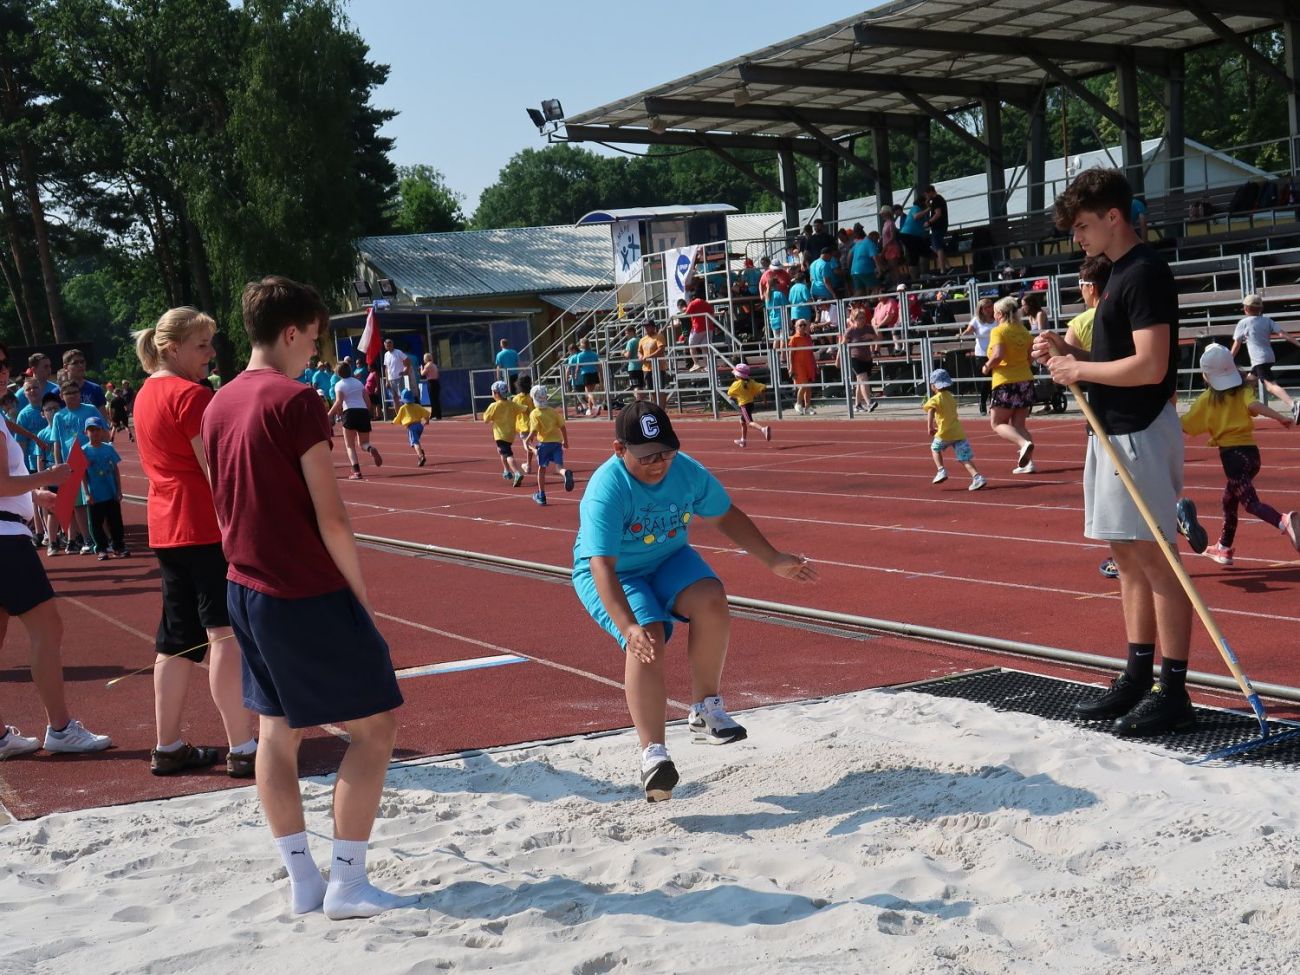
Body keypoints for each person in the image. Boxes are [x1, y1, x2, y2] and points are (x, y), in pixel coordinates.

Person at [202, 275, 411, 920]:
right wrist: (360, 596)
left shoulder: (217, 403)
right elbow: (332, 516)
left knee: (276, 729)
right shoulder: (296, 401)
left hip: (245, 585)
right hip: (302, 588)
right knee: (375, 728)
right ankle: (347, 882)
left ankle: (303, 879)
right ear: (290, 331)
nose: (316, 352)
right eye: (314, 339)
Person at [571, 401, 818, 801]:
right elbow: (601, 566)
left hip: (668, 558)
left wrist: (772, 559)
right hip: (616, 572)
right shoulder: (606, 489)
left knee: (711, 597)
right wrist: (627, 626)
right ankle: (653, 754)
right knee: (647, 636)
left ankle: (706, 711)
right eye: (646, 456)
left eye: (665, 452)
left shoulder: (686, 471)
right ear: (619, 450)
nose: (658, 464)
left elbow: (724, 515)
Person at [1036, 167, 1193, 738]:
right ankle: (1137, 675)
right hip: (1113, 429)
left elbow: (1151, 365)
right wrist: (1070, 351)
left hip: (1140, 430)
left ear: (1112, 216)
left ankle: (1173, 691)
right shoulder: (1120, 272)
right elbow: (1117, 356)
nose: (1077, 237)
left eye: (1082, 226)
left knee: (1156, 560)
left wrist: (1078, 369)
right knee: (1126, 557)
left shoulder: (1144, 272)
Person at [132, 307, 257, 777]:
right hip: (203, 525)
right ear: (173, 348)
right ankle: (242, 746)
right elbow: (216, 471)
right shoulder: (192, 395)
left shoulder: (145, 393)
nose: (210, 353)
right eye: (201, 345)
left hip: (166, 526)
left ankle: (167, 745)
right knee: (223, 632)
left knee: (176, 638)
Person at [0, 350, 114, 759]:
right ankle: (61, 728)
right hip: (5, 540)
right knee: (47, 628)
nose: (3, 372)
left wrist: (34, 494)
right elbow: (1, 484)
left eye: (3, 364)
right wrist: (48, 477)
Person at [1180, 343, 1299, 565]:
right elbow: (1255, 406)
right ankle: (1224, 548)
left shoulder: (1207, 400)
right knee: (1229, 500)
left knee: (1250, 503)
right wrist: (1279, 417)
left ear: (1206, 376)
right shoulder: (1243, 391)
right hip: (1251, 455)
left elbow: (1185, 425)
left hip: (1233, 458)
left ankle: (1283, 521)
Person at [982, 296, 1036, 473]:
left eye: (995, 312)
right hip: (1025, 380)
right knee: (1019, 424)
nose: (994, 315)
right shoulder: (1023, 330)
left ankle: (1023, 443)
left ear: (1000, 314)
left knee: (997, 423)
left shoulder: (998, 331)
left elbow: (998, 355)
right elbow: (1031, 356)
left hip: (1005, 381)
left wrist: (987, 366)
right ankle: (1029, 463)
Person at [1230, 294, 1300, 423]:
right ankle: (1240, 410)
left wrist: (1229, 359)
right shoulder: (1267, 321)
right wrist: (1298, 343)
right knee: (1248, 383)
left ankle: (1293, 404)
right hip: (1269, 357)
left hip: (1259, 359)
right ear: (1261, 309)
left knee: (1270, 385)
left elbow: (1237, 344)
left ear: (1246, 308)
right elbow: (1282, 334)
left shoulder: (1243, 323)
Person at [50, 379, 101, 552]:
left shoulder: (90, 410)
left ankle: (102, 537)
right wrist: (59, 466)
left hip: (91, 461)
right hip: (71, 464)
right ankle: (87, 539)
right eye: (68, 393)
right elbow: (57, 443)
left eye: (75, 392)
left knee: (96, 500)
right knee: (78, 504)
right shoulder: (59, 416)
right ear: (62, 396)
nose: (73, 396)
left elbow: (103, 432)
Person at [924, 369, 986, 491]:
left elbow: (931, 410)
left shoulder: (935, 399)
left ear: (933, 386)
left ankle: (941, 470)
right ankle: (977, 477)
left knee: (935, 448)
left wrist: (930, 427)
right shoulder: (951, 397)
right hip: (958, 432)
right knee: (964, 458)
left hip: (945, 433)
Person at [81, 416, 128, 559]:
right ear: (86, 433)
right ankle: (101, 548)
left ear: (102, 431)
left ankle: (118, 546)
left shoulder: (108, 448)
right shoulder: (84, 451)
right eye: (91, 430)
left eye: (97, 429)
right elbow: (83, 474)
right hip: (95, 496)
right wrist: (87, 493)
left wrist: (119, 490)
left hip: (111, 493)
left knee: (116, 522)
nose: (94, 432)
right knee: (96, 524)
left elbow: (115, 470)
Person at [328, 362, 385, 478]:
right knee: (363, 443)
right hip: (363, 412)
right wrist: (366, 412)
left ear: (338, 373)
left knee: (350, 445)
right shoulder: (358, 383)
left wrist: (329, 414)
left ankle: (357, 472)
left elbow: (339, 402)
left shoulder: (339, 385)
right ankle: (370, 448)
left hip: (349, 412)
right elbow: (367, 401)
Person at [522, 384, 575, 507]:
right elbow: (562, 426)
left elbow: (534, 431)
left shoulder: (535, 414)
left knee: (542, 469)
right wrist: (566, 441)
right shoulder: (552, 411)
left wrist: (527, 440)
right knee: (559, 467)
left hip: (544, 444)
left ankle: (541, 495)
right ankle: (565, 473)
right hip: (556, 443)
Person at [837, 303, 879, 413]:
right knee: (863, 379)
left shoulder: (868, 328)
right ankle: (869, 402)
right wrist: (838, 359)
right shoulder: (850, 331)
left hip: (867, 357)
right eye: (860, 318)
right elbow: (842, 345)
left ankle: (857, 404)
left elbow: (877, 339)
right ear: (854, 319)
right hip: (855, 358)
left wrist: (871, 336)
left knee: (860, 382)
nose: (863, 320)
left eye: (864, 317)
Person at [483, 380, 525, 487]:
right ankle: (506, 470)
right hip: (510, 434)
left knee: (508, 454)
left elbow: (486, 419)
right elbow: (524, 409)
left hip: (500, 435)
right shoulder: (512, 404)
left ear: (496, 393)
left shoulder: (494, 406)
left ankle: (516, 472)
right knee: (502, 451)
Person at [960, 297, 997, 415]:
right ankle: (983, 403)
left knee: (996, 379)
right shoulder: (976, 320)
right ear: (981, 309)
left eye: (990, 306)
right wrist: (961, 335)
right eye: (986, 307)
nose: (989, 309)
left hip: (996, 353)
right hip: (982, 354)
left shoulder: (997, 318)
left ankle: (994, 404)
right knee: (985, 381)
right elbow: (969, 331)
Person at [725, 363, 771, 447]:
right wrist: (764, 400)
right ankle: (743, 440)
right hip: (751, 404)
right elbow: (762, 388)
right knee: (742, 422)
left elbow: (730, 393)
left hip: (744, 405)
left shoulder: (737, 384)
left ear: (738, 375)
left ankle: (763, 429)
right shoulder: (751, 382)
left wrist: (734, 396)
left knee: (749, 422)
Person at [390, 390, 431, 469]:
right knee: (415, 442)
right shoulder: (417, 406)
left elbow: (398, 417)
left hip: (411, 427)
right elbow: (426, 413)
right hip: (419, 426)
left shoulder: (403, 408)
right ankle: (420, 450)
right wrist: (426, 421)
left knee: (415, 442)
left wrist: (393, 422)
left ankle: (421, 456)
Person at [62, 349, 106, 415]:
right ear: (65, 367)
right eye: (75, 363)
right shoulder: (58, 392)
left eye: (82, 362)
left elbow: (103, 417)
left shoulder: (95, 389)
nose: (80, 365)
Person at [787, 318, 817, 415]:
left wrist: (815, 364)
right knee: (804, 385)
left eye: (804, 325)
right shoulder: (794, 338)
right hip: (798, 365)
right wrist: (791, 367)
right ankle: (798, 403)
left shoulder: (808, 337)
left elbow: (811, 352)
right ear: (796, 327)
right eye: (800, 325)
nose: (803, 327)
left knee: (809, 386)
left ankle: (807, 407)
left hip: (809, 364)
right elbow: (790, 354)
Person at [637, 322, 668, 406]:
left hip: (658, 367)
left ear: (653, 327)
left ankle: (661, 409)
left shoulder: (659, 336)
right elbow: (639, 351)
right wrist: (640, 356)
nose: (646, 328)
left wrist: (649, 357)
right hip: (647, 368)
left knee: (660, 389)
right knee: (651, 390)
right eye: (645, 326)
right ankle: (656, 407)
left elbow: (661, 349)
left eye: (648, 326)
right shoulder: (642, 339)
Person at [511, 375, 537, 473]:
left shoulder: (516, 399)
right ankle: (528, 466)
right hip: (533, 424)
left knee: (527, 445)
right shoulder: (531, 397)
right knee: (529, 443)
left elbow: (513, 412)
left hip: (523, 425)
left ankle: (536, 451)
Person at [684, 289, 714, 372]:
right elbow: (712, 313)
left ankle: (696, 363)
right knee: (705, 347)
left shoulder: (693, 303)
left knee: (691, 345)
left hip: (698, 328)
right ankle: (708, 366)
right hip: (709, 327)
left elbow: (686, 314)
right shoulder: (706, 303)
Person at [849, 228, 881, 297]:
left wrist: (849, 267)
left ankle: (850, 302)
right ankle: (871, 302)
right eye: (877, 239)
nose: (877, 241)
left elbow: (849, 254)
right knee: (876, 288)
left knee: (860, 291)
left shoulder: (858, 243)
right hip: (865, 269)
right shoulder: (870, 243)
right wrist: (879, 269)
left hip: (854, 271)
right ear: (873, 237)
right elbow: (875, 257)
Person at [924, 186, 949, 273]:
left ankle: (942, 269)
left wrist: (929, 222)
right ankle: (947, 265)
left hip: (938, 226)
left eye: (927, 194)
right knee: (935, 246)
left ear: (931, 192)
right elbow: (933, 209)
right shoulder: (938, 200)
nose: (926, 196)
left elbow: (938, 214)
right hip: (940, 226)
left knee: (938, 247)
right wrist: (927, 203)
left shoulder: (937, 200)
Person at [574, 337, 603, 415]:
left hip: (586, 374)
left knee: (588, 393)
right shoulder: (594, 354)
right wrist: (601, 374)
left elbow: (578, 366)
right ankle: (590, 409)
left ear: (582, 345)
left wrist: (576, 375)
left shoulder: (580, 355)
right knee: (591, 393)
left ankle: (596, 405)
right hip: (594, 374)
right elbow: (598, 365)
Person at [382, 339, 412, 413]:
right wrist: (387, 381)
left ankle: (406, 414)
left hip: (399, 378)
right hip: (391, 379)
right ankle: (398, 415)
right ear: (385, 346)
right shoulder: (386, 355)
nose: (389, 347)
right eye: (387, 346)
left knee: (403, 397)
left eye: (390, 345)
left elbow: (408, 361)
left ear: (392, 345)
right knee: (394, 399)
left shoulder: (398, 352)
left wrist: (406, 371)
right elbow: (386, 368)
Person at [420, 353, 442, 420]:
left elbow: (422, 373)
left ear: (425, 358)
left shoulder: (427, 366)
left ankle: (433, 414)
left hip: (431, 382)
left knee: (432, 399)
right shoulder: (434, 365)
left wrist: (421, 368)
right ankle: (438, 414)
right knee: (436, 399)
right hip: (436, 382)